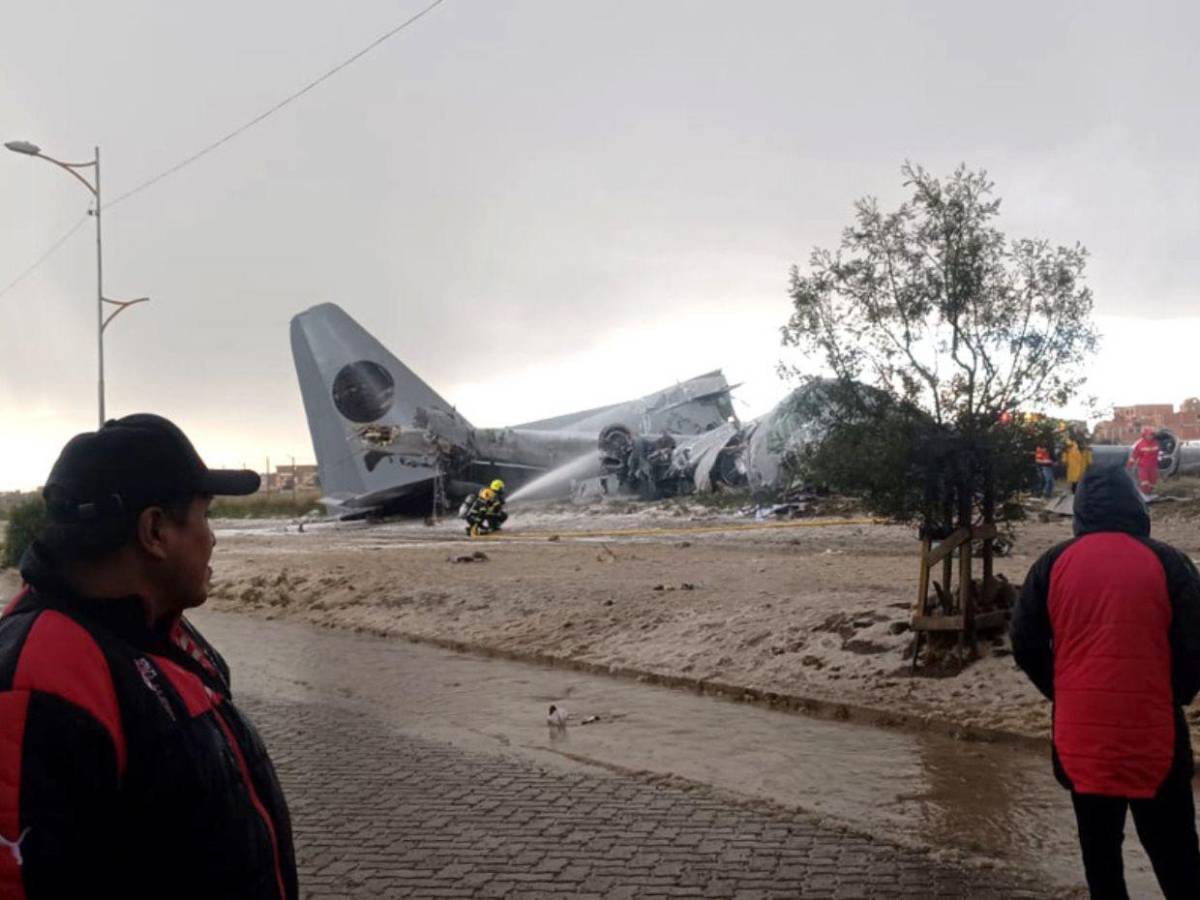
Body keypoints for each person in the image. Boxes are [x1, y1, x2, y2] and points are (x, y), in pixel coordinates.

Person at [0, 414, 297, 899]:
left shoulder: (162, 634)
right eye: (206, 515)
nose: (213, 537)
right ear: (155, 531)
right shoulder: (42, 677)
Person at [1011, 465, 1200, 899]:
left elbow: (1025, 641)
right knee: (1178, 859)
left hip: (1080, 737)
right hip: (1155, 733)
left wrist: (1063, 690)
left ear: (1080, 511)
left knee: (1101, 860)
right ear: (1134, 503)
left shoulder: (1052, 564)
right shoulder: (1168, 560)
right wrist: (1176, 693)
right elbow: (1196, 642)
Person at [1129, 426, 1161, 496]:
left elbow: (1160, 453)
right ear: (1145, 435)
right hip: (1143, 467)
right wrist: (1129, 465)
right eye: (1149, 435)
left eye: (1152, 435)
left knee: (1153, 482)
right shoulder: (1140, 444)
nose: (1150, 436)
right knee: (1145, 482)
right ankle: (1144, 495)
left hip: (1153, 467)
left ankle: (1149, 494)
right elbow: (1134, 455)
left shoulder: (1156, 443)